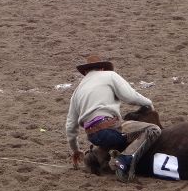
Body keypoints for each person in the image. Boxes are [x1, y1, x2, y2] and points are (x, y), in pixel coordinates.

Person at [66, 54, 161, 183]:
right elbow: (130, 97)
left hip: (93, 136)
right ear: (101, 68)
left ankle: (97, 156)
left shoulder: (77, 92)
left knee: (116, 136)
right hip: (110, 128)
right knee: (153, 129)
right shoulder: (109, 75)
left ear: (86, 72)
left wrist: (76, 150)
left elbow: (70, 127)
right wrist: (148, 103)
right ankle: (123, 160)